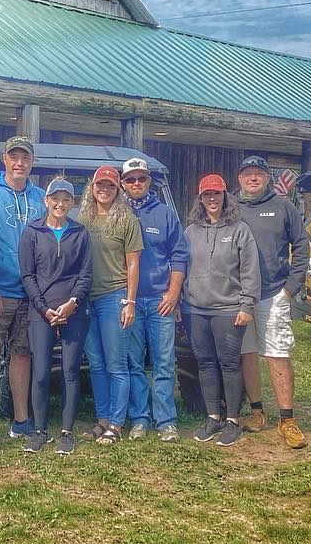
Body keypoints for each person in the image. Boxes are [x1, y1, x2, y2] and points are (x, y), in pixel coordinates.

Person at [0, 135, 46, 450]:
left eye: (25, 158)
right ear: (4, 159)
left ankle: (21, 420)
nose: (19, 163)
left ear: (31, 162)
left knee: (22, 354)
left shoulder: (41, 197)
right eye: (14, 157)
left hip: (31, 294)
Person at [235, 155, 309, 449]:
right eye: (247, 174)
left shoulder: (283, 207)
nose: (253, 178)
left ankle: (287, 419)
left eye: (258, 174)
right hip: (238, 296)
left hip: (273, 293)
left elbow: (301, 245)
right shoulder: (230, 206)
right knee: (247, 354)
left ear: (268, 178)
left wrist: (290, 289)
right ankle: (257, 413)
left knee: (277, 354)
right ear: (239, 179)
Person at [184, 174, 260, 447]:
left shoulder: (240, 229)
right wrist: (181, 302)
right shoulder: (190, 232)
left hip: (229, 309)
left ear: (225, 196)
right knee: (205, 363)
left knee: (229, 364)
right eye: (207, 195)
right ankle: (213, 417)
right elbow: (181, 268)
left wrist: (247, 304)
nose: (212, 199)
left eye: (217, 194)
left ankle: (233, 421)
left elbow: (250, 269)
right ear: (200, 199)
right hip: (196, 309)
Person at [19, 178, 92, 455]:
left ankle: (66, 432)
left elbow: (85, 274)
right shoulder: (32, 232)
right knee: (40, 372)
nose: (60, 204)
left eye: (66, 199)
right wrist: (42, 307)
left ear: (72, 203)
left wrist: (73, 303)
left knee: (70, 371)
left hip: (74, 311)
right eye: (55, 199)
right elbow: (27, 275)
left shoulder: (80, 233)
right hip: (41, 312)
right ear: (46, 200)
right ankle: (39, 431)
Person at [121, 157, 190, 442]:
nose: (136, 183)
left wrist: (174, 293)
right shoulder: (116, 213)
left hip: (160, 300)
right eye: (131, 179)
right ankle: (140, 418)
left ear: (149, 181)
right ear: (123, 184)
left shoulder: (165, 213)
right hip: (129, 301)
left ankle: (166, 420)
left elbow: (180, 255)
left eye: (142, 178)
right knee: (134, 363)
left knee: (164, 363)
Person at [78, 165, 141, 444]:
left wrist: (130, 301)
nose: (104, 189)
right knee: (96, 363)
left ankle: (116, 423)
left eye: (110, 185)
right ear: (92, 187)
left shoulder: (127, 219)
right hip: (87, 299)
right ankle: (102, 419)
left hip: (114, 297)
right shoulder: (84, 218)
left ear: (118, 190)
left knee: (116, 364)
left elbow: (133, 263)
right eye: (99, 185)